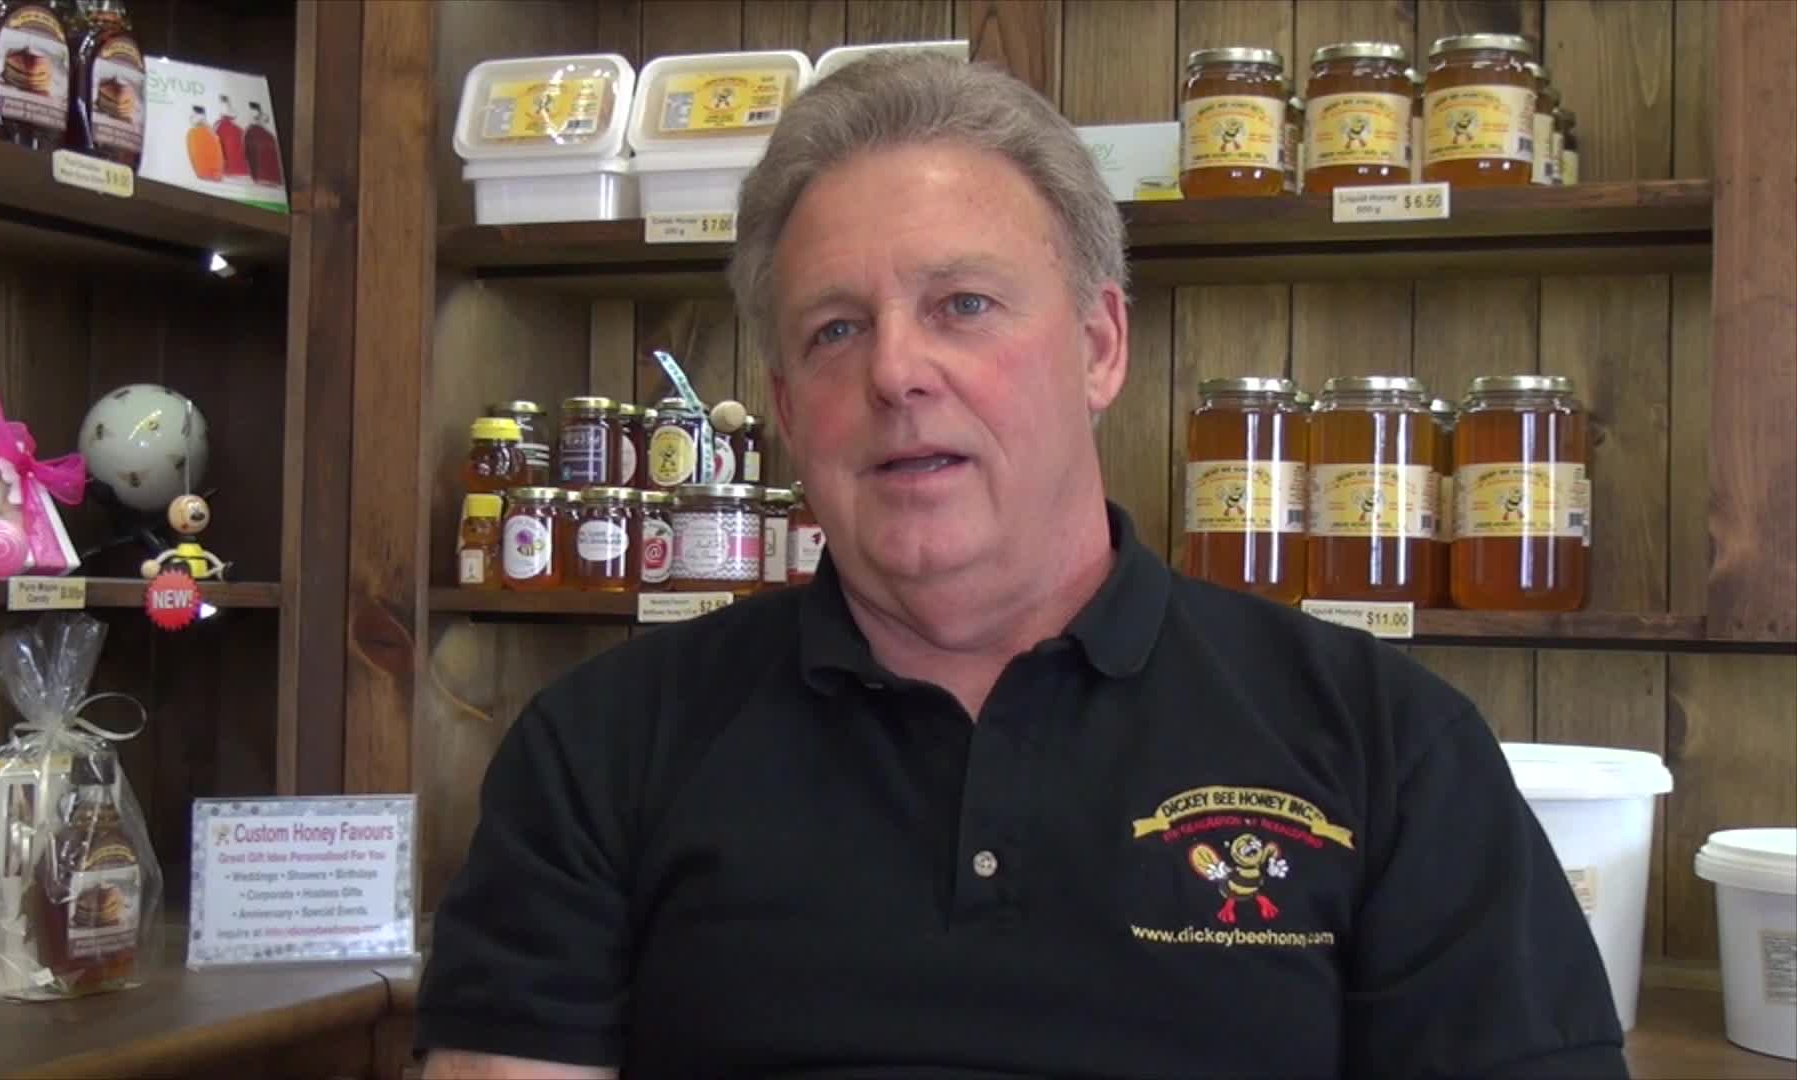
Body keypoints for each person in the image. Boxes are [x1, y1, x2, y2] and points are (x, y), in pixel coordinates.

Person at [415, 53, 1627, 1079]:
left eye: (963, 305)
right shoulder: (600, 748)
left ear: (1100, 346)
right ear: (786, 410)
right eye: (836, 329)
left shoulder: (1387, 746)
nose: (896, 372)